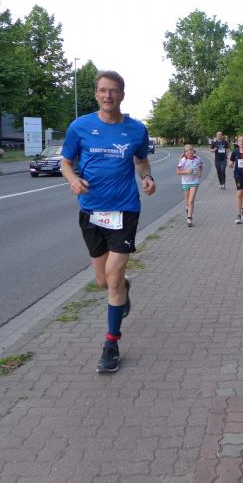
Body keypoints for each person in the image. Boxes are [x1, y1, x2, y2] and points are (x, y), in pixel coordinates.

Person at [61, 70, 156, 373]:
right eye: (102, 90)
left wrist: (148, 177)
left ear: (122, 95)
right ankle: (123, 288)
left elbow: (141, 161)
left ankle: (111, 344)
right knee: (103, 281)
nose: (107, 96)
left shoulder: (136, 130)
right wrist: (72, 179)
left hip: (124, 210)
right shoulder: (80, 127)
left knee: (112, 278)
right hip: (91, 212)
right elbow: (65, 162)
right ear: (96, 94)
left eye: (113, 90)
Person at [177, 144, 203, 227]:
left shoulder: (198, 159)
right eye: (186, 151)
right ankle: (187, 207)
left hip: (194, 181)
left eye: (190, 150)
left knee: (191, 200)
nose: (189, 152)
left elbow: (201, 166)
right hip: (185, 182)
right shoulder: (183, 160)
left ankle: (189, 218)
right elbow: (178, 172)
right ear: (184, 152)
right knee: (187, 202)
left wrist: (200, 173)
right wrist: (186, 171)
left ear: (193, 151)